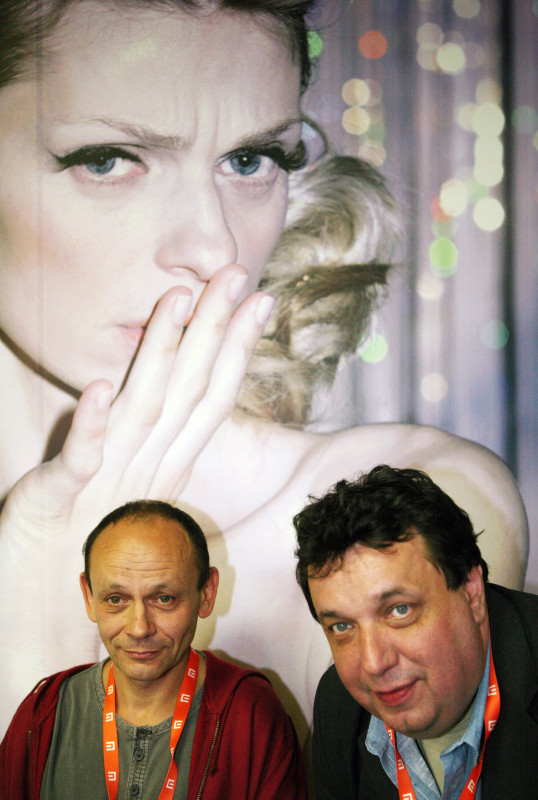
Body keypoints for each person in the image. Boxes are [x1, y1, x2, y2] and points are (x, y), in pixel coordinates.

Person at [0, 0, 529, 749]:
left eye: (250, 161)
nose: (215, 248)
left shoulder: (402, 526)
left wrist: (46, 638)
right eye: (108, 159)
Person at [0, 500, 308, 799]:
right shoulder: (44, 715)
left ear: (206, 593)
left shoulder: (251, 716)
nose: (139, 628)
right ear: (89, 597)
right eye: (115, 599)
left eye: (164, 599)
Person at [293, 465, 538, 800]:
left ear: (471, 593)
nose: (374, 663)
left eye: (399, 610)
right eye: (342, 626)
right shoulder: (339, 707)